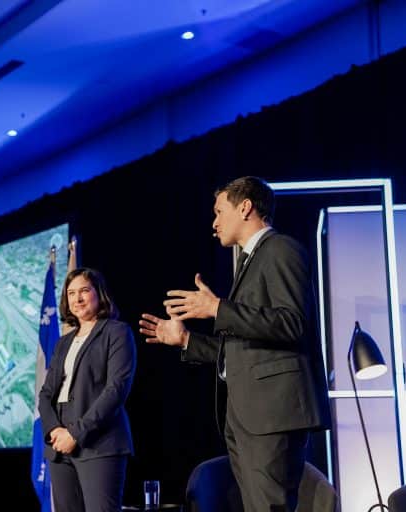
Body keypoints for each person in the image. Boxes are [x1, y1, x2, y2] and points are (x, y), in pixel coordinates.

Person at [139, 176, 330, 512]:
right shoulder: (248, 262)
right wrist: (186, 340)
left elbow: (292, 323)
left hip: (273, 414)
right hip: (247, 416)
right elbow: (244, 351)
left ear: (245, 207)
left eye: (218, 211)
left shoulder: (280, 249)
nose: (214, 223)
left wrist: (216, 309)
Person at [39, 267, 136, 512]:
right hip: (59, 447)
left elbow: (116, 390)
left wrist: (76, 434)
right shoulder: (63, 342)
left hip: (99, 444)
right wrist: (54, 431)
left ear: (99, 293)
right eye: (71, 293)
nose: (77, 299)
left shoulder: (117, 332)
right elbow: (46, 394)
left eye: (84, 291)